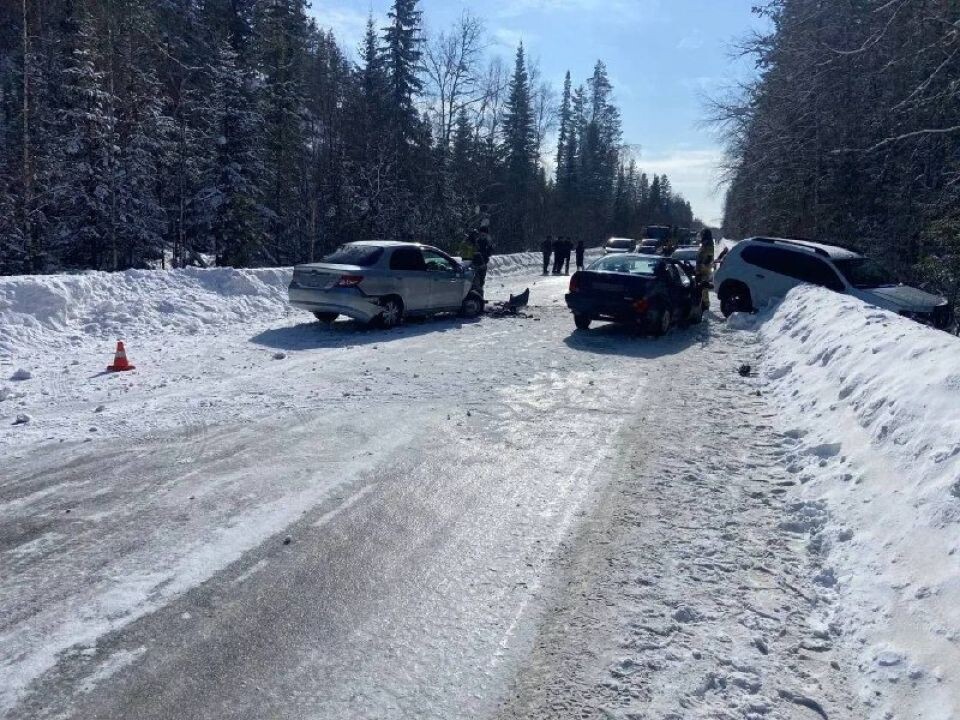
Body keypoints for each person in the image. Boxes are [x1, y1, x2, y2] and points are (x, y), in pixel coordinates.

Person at [695, 228, 715, 311]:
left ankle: (705, 304)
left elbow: (709, 257)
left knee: (704, 287)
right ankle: (702, 302)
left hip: (704, 269)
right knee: (701, 287)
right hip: (701, 268)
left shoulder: (709, 245)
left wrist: (703, 265)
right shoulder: (704, 245)